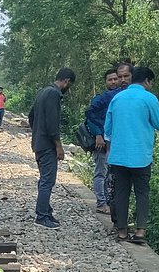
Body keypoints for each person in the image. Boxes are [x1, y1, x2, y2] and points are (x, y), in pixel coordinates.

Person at [104, 65, 159, 244]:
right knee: (142, 193)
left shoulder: (117, 98)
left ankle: (122, 231)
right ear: (147, 81)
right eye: (151, 83)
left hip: (118, 155)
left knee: (121, 192)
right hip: (141, 155)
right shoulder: (149, 99)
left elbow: (107, 129)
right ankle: (140, 231)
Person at [29, 67, 75, 229]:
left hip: (38, 143)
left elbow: (31, 115)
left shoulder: (43, 91)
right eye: (70, 85)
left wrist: (36, 133)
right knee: (48, 180)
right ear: (67, 81)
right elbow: (52, 123)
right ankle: (41, 216)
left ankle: (46, 211)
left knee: (44, 179)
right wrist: (58, 146)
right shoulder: (54, 94)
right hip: (47, 145)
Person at [85, 67, 123, 214]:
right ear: (106, 82)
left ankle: (110, 203)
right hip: (101, 142)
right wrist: (98, 135)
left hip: (117, 142)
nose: (113, 82)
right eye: (110, 79)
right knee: (101, 172)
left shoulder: (121, 97)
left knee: (112, 175)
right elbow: (90, 115)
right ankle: (101, 203)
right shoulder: (101, 98)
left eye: (116, 79)